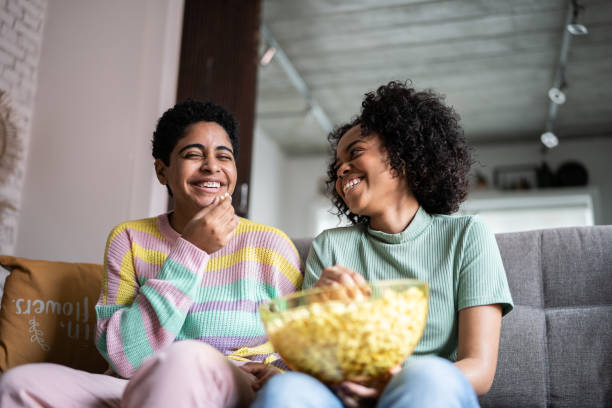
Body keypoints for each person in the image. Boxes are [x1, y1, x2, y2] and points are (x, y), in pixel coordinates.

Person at [0, 100, 303, 408]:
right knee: (19, 385)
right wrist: (192, 250)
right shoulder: (129, 238)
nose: (212, 166)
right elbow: (127, 360)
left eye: (223, 156)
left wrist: (279, 372)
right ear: (163, 171)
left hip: (230, 382)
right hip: (139, 380)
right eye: (193, 154)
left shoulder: (272, 247)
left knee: (185, 358)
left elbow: (303, 351)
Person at [252, 81, 513, 408]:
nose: (341, 169)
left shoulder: (468, 236)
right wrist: (316, 308)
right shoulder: (330, 247)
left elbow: (480, 368)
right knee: (285, 392)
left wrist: (396, 383)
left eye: (355, 153)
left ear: (402, 155)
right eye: (336, 167)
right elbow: (314, 368)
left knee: (428, 375)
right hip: (344, 399)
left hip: (429, 391)